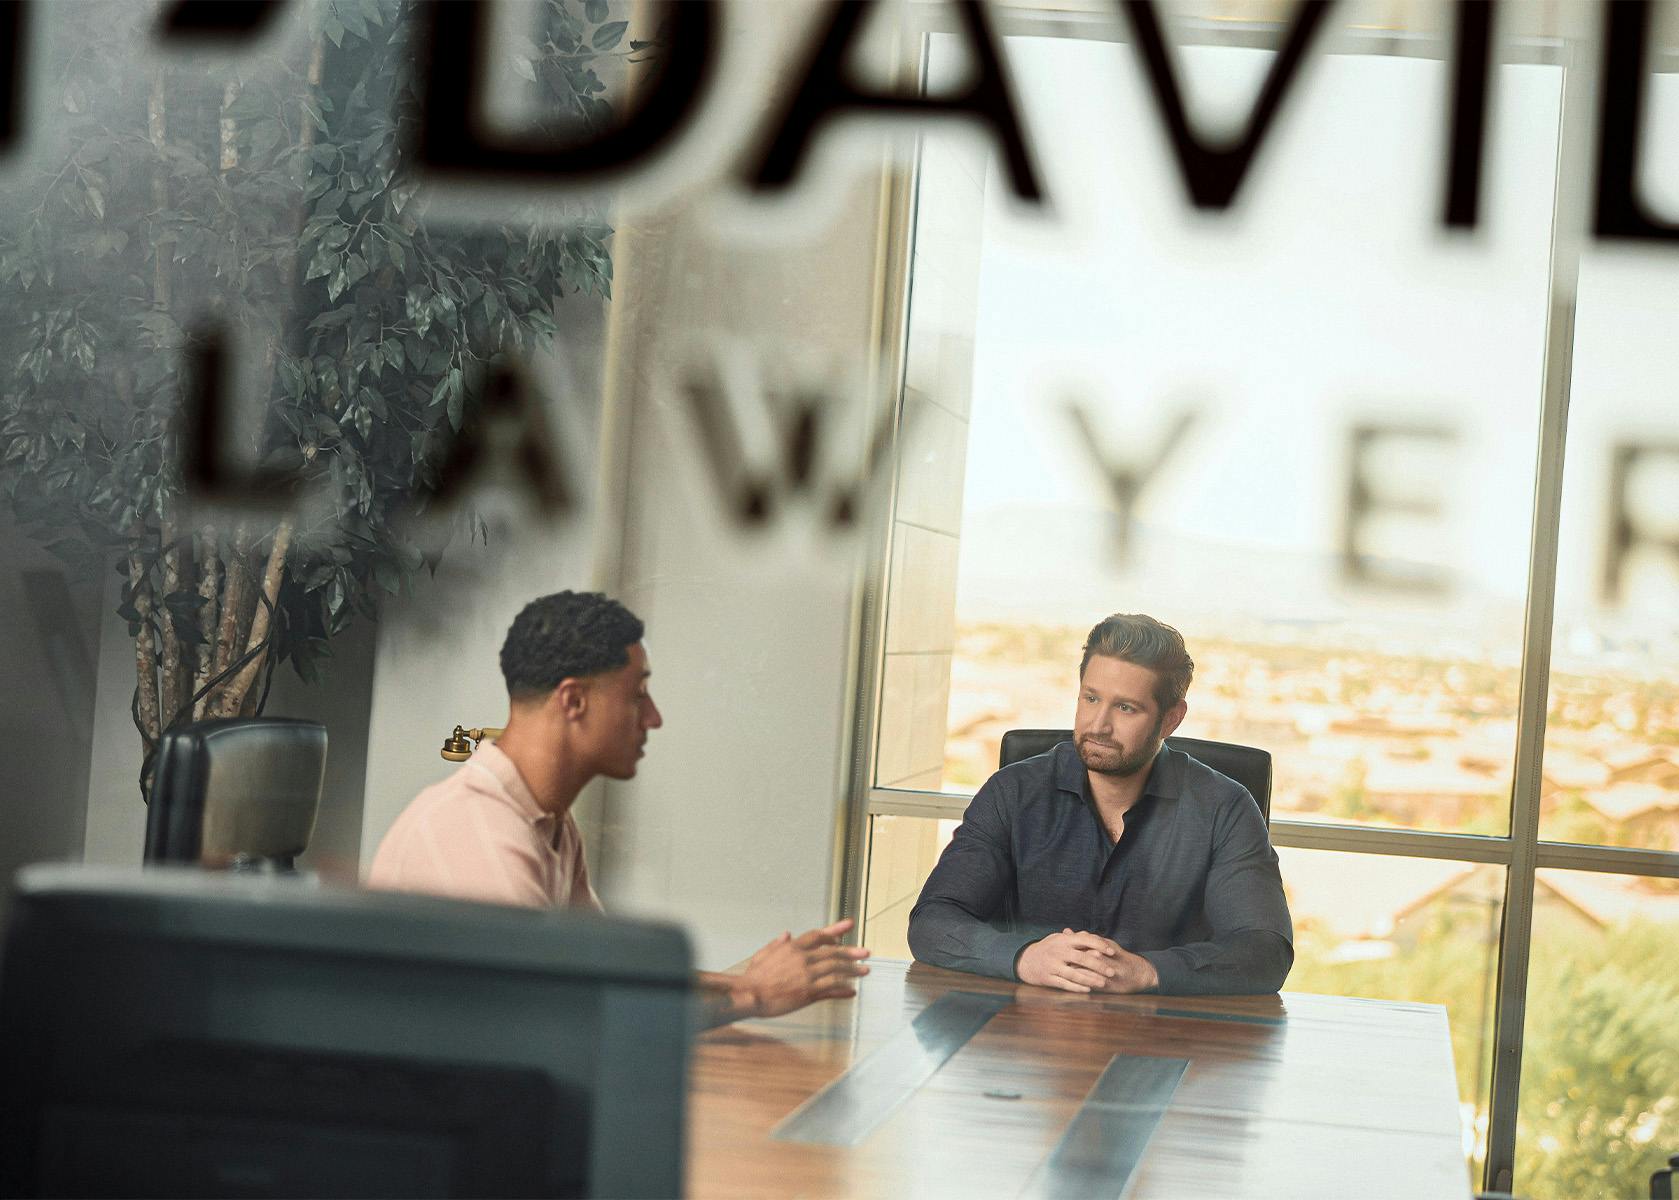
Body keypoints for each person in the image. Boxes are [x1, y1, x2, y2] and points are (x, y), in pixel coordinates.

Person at [369, 590, 870, 1024]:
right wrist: (752, 996)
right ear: (573, 702)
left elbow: (604, 974)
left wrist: (751, 977)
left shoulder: (547, 821)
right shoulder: (481, 837)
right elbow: (562, 1022)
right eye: (638, 694)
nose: (653, 718)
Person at [907, 613, 1292, 996]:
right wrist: (1025, 957)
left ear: (1171, 719)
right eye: (1091, 698)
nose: (1099, 725)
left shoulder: (1224, 809)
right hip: (1027, 1037)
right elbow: (932, 923)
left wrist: (1147, 971)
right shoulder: (1013, 792)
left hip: (1166, 1038)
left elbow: (1265, 951)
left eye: (1126, 708)